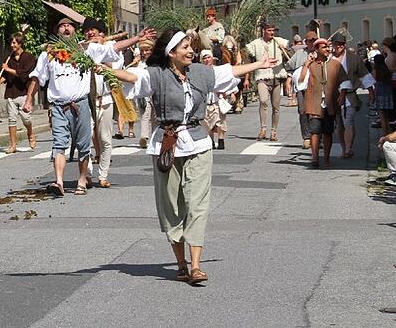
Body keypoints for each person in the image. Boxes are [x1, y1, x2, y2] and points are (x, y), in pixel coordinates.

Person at [107, 28, 276, 285]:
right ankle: (181, 264)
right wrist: (105, 69)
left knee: (198, 203)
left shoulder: (199, 71)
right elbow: (132, 77)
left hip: (197, 141)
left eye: (190, 46)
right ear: (171, 52)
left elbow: (227, 73)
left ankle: (196, 266)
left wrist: (259, 64)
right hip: (166, 143)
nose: (190, 51)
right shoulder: (157, 74)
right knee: (171, 205)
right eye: (185, 47)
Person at [23, 18, 93, 195]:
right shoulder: (49, 54)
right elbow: (37, 77)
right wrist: (29, 99)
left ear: (75, 30)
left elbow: (113, 48)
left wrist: (136, 39)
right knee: (59, 143)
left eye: (69, 25)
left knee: (83, 145)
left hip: (81, 105)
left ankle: (82, 179)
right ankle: (59, 182)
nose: (66, 28)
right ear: (57, 32)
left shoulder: (85, 50)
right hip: (58, 107)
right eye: (62, 26)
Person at [82, 18, 153, 188]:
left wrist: (136, 38)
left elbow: (115, 54)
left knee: (105, 139)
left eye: (94, 30)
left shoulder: (107, 49)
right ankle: (88, 175)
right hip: (87, 101)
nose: (90, 33)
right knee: (86, 140)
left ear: (101, 33)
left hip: (105, 99)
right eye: (87, 30)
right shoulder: (82, 48)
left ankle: (103, 175)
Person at [292, 38, 345, 168]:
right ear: (316, 50)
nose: (327, 49)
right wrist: (306, 65)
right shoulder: (310, 65)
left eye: (328, 47)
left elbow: (344, 81)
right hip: (314, 102)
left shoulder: (335, 64)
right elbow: (300, 81)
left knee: (327, 132)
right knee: (315, 131)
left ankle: (326, 158)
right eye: (324, 47)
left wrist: (342, 95)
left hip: (330, 103)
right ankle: (315, 158)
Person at [329, 32, 372, 158]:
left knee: (349, 121)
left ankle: (348, 149)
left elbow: (364, 74)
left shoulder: (353, 58)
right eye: (336, 44)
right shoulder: (328, 59)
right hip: (333, 95)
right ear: (333, 45)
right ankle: (343, 148)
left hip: (350, 95)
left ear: (344, 45)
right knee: (339, 124)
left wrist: (371, 91)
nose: (339, 47)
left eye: (341, 44)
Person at [245, 21, 289, 141]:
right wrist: (247, 78)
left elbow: (289, 56)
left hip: (276, 76)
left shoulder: (280, 41)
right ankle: (263, 129)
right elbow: (249, 60)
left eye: (273, 30)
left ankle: (274, 131)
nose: (272, 33)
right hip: (262, 77)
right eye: (269, 30)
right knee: (263, 101)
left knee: (276, 106)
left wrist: (285, 51)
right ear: (263, 31)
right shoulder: (255, 44)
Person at [1, 33, 36, 153]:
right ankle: (13, 145)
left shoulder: (29, 58)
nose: (12, 45)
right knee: (11, 119)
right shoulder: (9, 58)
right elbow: (6, 75)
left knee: (26, 118)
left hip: (24, 92)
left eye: (14, 43)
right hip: (11, 92)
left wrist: (8, 69)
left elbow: (24, 74)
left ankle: (30, 133)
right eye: (11, 43)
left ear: (20, 43)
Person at [287, 32, 317, 150]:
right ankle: (306, 137)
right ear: (306, 42)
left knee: (315, 113)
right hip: (301, 87)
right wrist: (289, 79)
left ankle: (316, 136)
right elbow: (290, 66)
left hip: (316, 87)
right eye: (310, 40)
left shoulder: (320, 53)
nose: (312, 42)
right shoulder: (300, 54)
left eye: (314, 40)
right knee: (303, 111)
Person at [199, 50, 228, 150]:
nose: (207, 60)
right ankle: (210, 141)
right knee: (208, 122)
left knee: (220, 121)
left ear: (212, 58)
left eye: (208, 57)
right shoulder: (200, 72)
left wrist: (229, 93)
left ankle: (221, 140)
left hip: (217, 99)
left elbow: (226, 81)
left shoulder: (218, 70)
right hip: (206, 100)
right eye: (204, 58)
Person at [136, 40, 155, 149]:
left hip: (155, 91)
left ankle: (154, 136)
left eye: (147, 50)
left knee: (155, 116)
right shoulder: (140, 63)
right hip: (144, 93)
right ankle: (144, 136)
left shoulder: (156, 62)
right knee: (144, 114)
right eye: (142, 51)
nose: (144, 53)